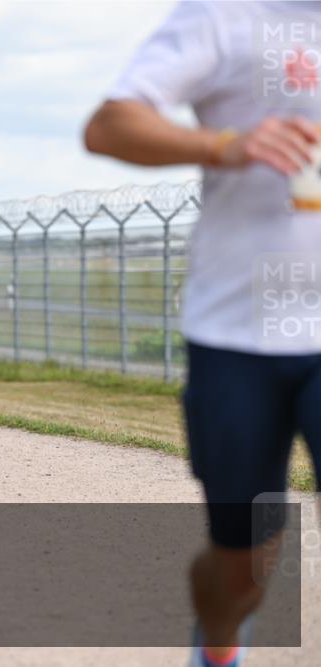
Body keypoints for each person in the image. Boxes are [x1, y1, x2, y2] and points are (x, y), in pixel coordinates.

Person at [84, 3, 321, 666]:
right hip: (237, 334)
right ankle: (217, 641)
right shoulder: (226, 15)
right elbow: (109, 126)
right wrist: (225, 145)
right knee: (243, 567)